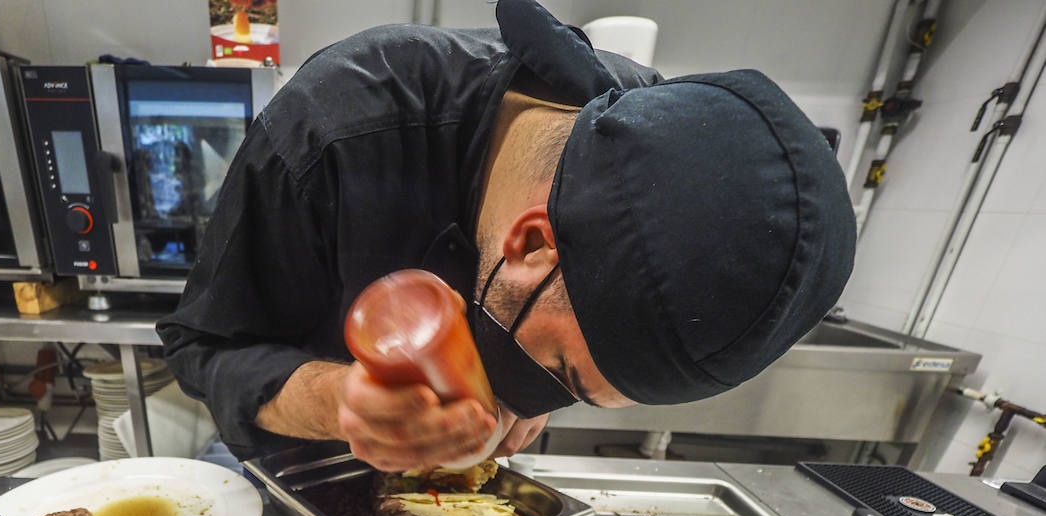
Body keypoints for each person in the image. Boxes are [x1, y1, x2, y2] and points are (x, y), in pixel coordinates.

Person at [157, 0, 856, 472]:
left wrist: (529, 394)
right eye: (560, 370)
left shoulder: (661, 148)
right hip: (290, 454)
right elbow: (202, 349)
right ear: (530, 245)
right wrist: (341, 405)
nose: (541, 394)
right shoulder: (339, 122)